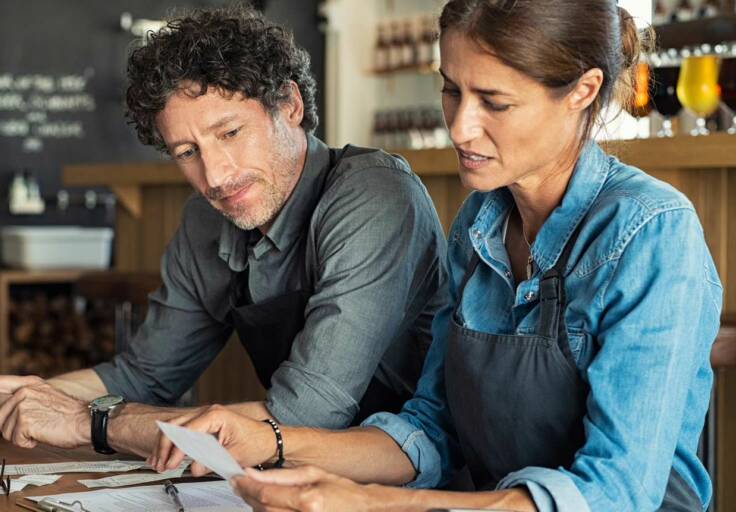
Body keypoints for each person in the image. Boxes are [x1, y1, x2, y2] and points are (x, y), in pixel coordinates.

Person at [152, 1, 721, 511]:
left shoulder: (650, 232)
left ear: (583, 91)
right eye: (452, 89)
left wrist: (375, 504)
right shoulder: (481, 222)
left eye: (493, 101)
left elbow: (618, 492)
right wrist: (274, 444)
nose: (460, 125)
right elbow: (432, 428)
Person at [0, 6, 448, 458]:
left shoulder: (373, 196)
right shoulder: (205, 220)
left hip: (415, 478)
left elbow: (304, 416)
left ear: (290, 106)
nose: (215, 176)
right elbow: (144, 374)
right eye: (187, 153)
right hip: (301, 480)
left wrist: (90, 424)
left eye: (230, 132)